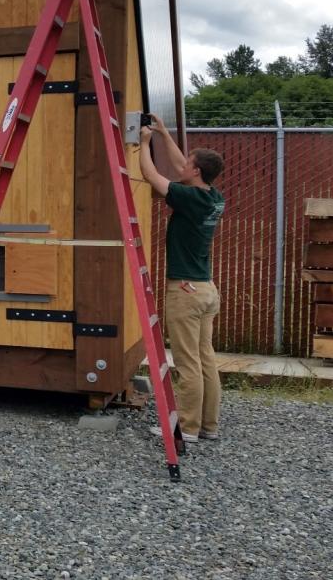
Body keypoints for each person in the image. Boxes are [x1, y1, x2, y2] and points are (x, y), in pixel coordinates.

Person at [138, 114, 226, 444]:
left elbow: (152, 175)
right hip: (206, 290)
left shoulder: (190, 199)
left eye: (190, 164)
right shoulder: (213, 197)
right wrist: (162, 131)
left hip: (185, 292)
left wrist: (144, 143)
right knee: (205, 360)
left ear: (197, 172)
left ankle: (186, 429)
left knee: (188, 364)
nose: (183, 166)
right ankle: (208, 426)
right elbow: (179, 168)